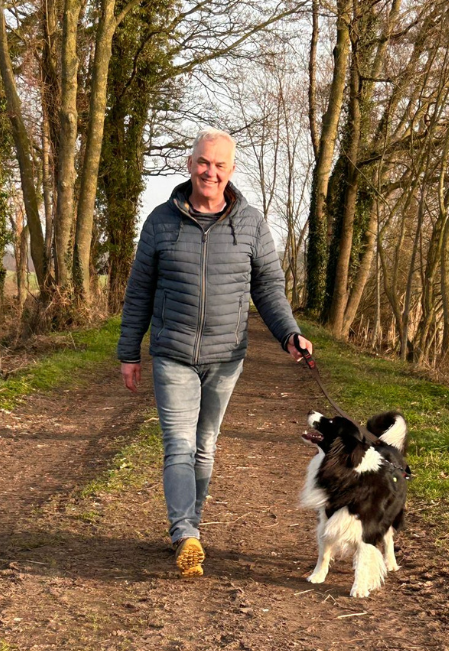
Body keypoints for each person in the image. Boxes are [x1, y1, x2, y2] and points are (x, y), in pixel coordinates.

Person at [118, 127, 313, 577]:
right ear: (190, 164)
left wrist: (289, 334)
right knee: (179, 445)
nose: (210, 171)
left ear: (231, 170)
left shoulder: (251, 223)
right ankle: (185, 532)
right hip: (173, 352)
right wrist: (130, 352)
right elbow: (138, 292)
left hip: (227, 356)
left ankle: (192, 531)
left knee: (205, 445)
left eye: (219, 165)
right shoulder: (160, 222)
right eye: (203, 162)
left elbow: (268, 288)